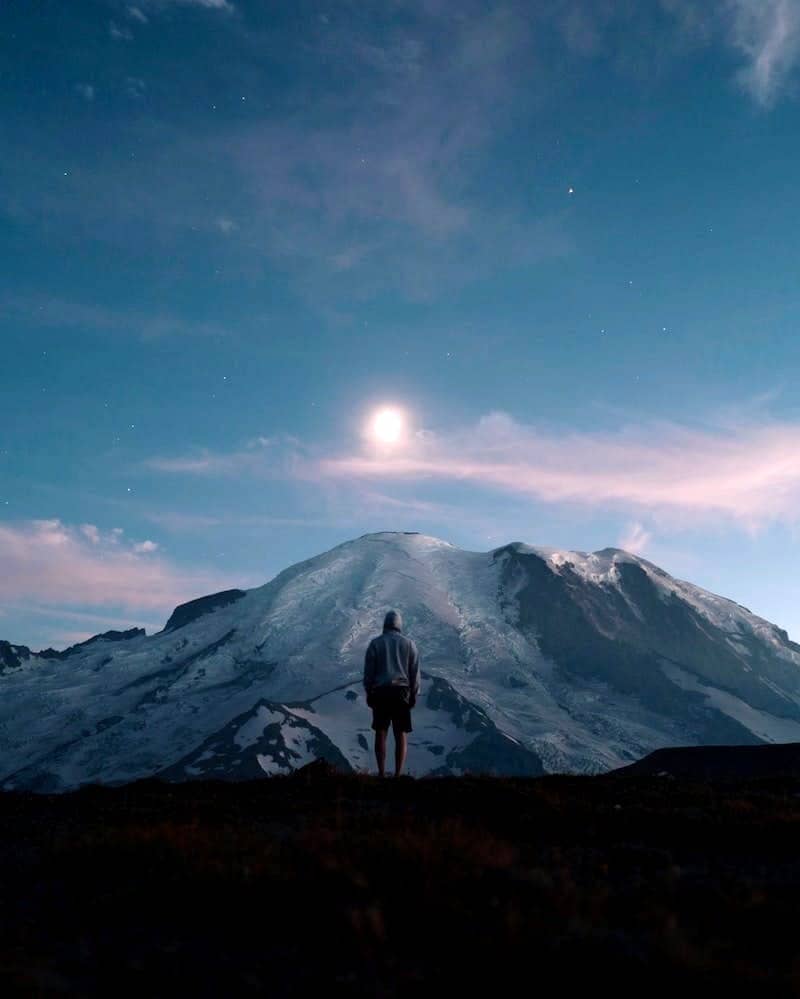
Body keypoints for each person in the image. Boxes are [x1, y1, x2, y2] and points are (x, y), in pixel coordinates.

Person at [363, 609, 420, 777]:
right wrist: (414, 694)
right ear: (400, 625)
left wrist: (368, 691)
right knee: (400, 732)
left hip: (380, 692)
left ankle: (381, 772)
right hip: (401, 691)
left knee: (381, 731)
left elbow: (369, 672)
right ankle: (398, 773)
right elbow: (414, 672)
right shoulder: (409, 644)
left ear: (385, 624)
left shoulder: (375, 643)